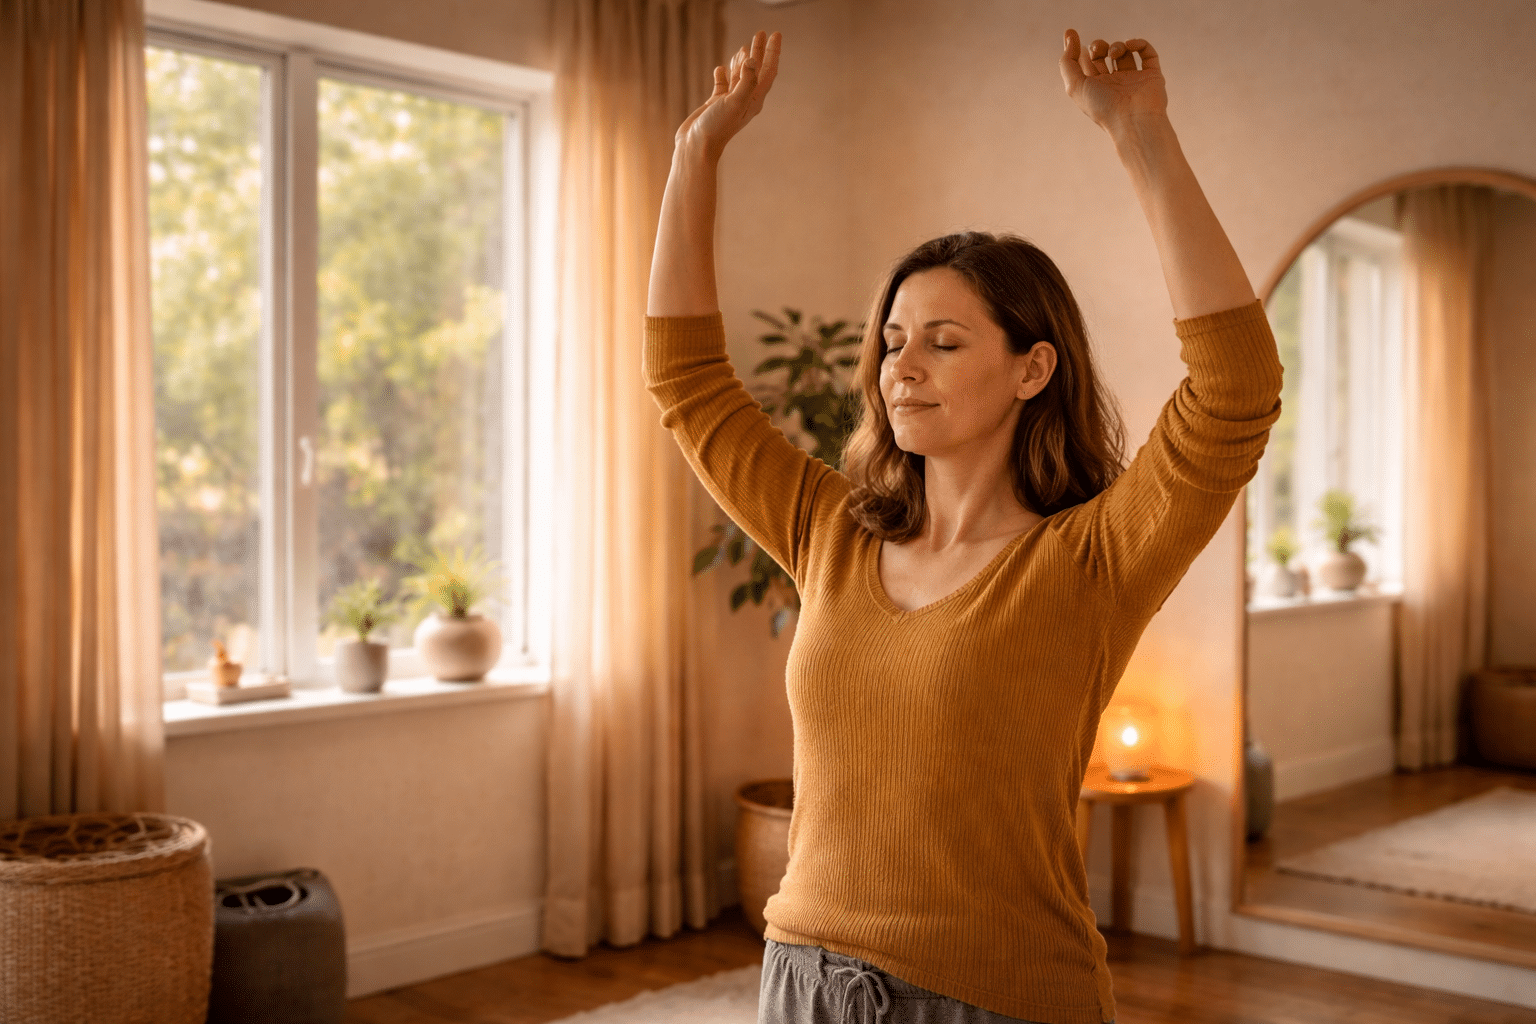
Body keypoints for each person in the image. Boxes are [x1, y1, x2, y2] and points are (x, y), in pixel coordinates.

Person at [644, 27, 1282, 1024]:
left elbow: (1236, 389)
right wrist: (696, 153)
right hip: (803, 981)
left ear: (1034, 368)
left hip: (993, 999)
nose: (902, 366)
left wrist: (1144, 138)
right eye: (894, 342)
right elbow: (688, 386)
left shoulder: (1087, 561)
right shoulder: (831, 531)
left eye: (945, 342)